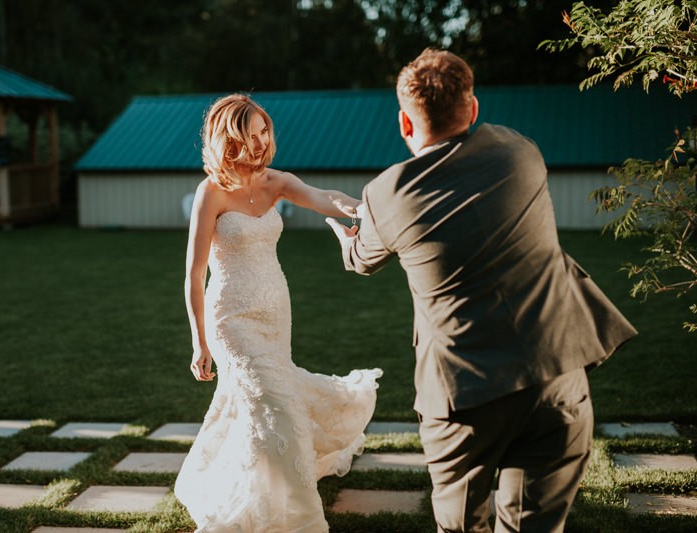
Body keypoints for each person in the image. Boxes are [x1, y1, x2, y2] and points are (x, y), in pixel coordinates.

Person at [326, 49, 637, 532]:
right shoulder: (520, 152)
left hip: (462, 401)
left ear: (405, 125)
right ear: (471, 110)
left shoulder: (386, 195)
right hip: (553, 376)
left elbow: (360, 260)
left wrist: (347, 234)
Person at [175, 93, 382, 532]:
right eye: (250, 134)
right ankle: (300, 517)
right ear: (227, 139)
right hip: (231, 319)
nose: (260, 141)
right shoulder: (210, 192)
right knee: (276, 406)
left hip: (275, 310)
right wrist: (199, 341)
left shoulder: (276, 181)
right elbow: (194, 275)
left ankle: (254, 485)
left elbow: (322, 196)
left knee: (262, 406)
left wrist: (362, 210)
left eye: (264, 130)